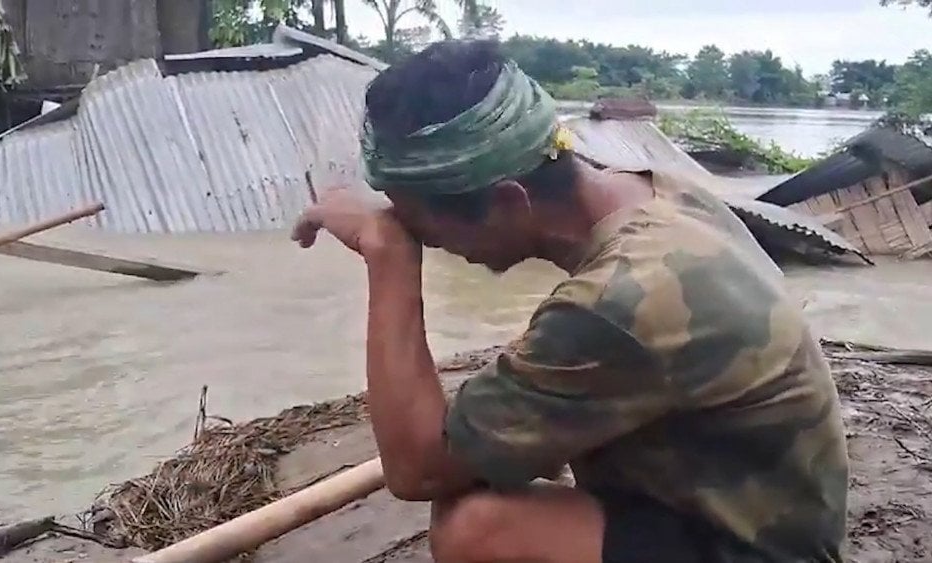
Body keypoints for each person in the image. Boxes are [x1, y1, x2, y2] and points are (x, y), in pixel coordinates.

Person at [292, 39, 848, 563]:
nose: (431, 245)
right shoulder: (657, 192)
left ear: (509, 201)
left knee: (474, 525)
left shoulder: (619, 300)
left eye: (423, 229)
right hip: (754, 505)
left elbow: (417, 469)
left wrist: (388, 256)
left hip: (762, 549)